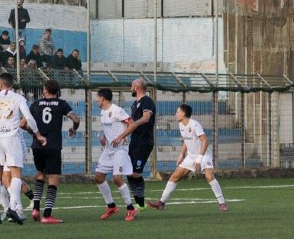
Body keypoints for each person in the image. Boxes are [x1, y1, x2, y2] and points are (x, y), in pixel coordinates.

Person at [0, 72, 44, 225]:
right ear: (11, 84)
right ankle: (13, 207)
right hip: (11, 138)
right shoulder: (18, 98)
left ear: (0, 84)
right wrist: (38, 134)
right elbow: (29, 118)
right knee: (15, 174)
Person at [146, 103, 228, 214]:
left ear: (184, 114)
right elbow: (186, 140)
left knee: (209, 176)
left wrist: (199, 159)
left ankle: (222, 202)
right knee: (175, 176)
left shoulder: (194, 125)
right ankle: (161, 203)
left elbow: (205, 141)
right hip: (190, 156)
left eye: (178, 112)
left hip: (203, 155)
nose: (176, 114)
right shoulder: (181, 125)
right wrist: (181, 154)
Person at [28, 79, 80, 223]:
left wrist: (34, 134)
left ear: (45, 90)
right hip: (53, 146)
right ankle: (47, 215)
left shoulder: (36, 104)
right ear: (57, 91)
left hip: (37, 145)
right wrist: (74, 129)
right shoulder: (61, 104)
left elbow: (23, 123)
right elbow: (75, 119)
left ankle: (35, 208)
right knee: (53, 179)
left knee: (40, 175)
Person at [93, 88, 137, 220]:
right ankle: (111, 206)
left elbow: (132, 124)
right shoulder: (102, 112)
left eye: (97, 97)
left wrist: (120, 137)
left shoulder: (117, 110)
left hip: (120, 149)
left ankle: (130, 208)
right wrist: (104, 138)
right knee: (98, 177)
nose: (96, 100)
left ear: (102, 98)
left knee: (117, 178)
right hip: (109, 150)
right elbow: (110, 129)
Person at [112, 78, 155, 209]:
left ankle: (140, 204)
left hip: (144, 141)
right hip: (135, 141)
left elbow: (146, 118)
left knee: (135, 173)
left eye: (131, 86)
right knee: (129, 171)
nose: (131, 89)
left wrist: (134, 124)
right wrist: (125, 134)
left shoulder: (147, 101)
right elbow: (130, 123)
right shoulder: (134, 104)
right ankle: (139, 204)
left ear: (137, 87)